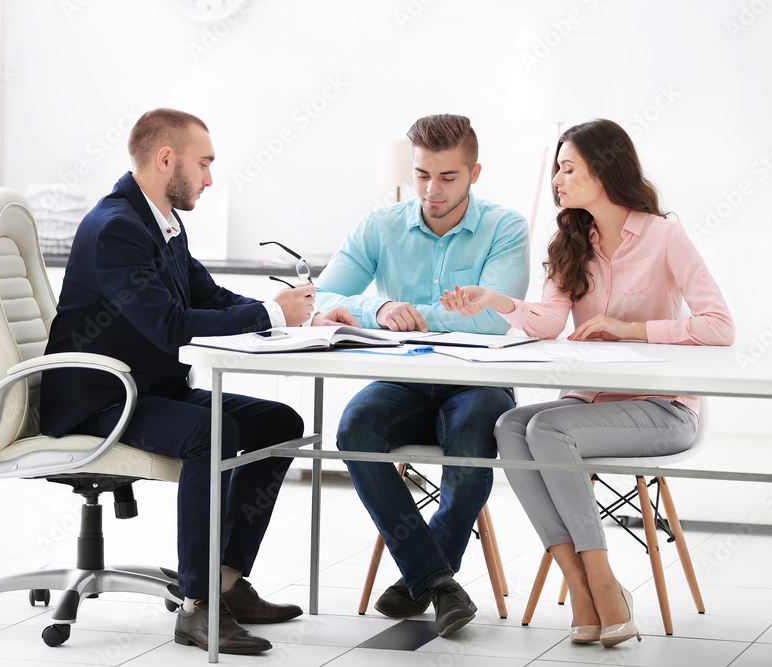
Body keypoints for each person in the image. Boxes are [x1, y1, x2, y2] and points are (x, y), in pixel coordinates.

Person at [40, 108, 356, 655]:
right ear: (167, 160)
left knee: (280, 423)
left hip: (148, 389)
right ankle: (196, 606)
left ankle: (227, 583)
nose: (209, 179)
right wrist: (273, 316)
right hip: (100, 401)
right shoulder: (116, 228)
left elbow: (208, 298)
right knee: (213, 432)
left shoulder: (160, 222)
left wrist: (296, 314)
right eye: (204, 164)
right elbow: (168, 326)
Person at [440, 118, 735, 647]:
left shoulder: (665, 235)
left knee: (548, 433)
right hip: (587, 406)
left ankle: (602, 586)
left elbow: (719, 325)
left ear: (603, 170)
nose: (557, 178)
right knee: (510, 426)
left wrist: (633, 329)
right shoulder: (571, 239)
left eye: (568, 167)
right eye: (556, 168)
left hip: (662, 410)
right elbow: (551, 320)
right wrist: (497, 301)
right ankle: (580, 585)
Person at [314, 114, 530, 636]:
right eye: (422, 175)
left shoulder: (506, 227)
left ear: (475, 172)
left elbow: (493, 317)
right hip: (404, 380)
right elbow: (321, 299)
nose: (432, 190)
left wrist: (413, 313)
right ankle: (437, 581)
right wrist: (381, 307)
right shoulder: (379, 226)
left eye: (448, 177)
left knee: (473, 432)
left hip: (477, 380)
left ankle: (424, 573)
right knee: (355, 428)